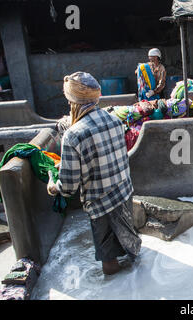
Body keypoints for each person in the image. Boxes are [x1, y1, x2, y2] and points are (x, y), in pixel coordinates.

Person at [47, 71, 141, 275]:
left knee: (109, 263)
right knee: (129, 242)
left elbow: (68, 186)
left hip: (101, 205)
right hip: (123, 193)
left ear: (72, 101)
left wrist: (53, 186)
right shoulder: (115, 120)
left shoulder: (73, 135)